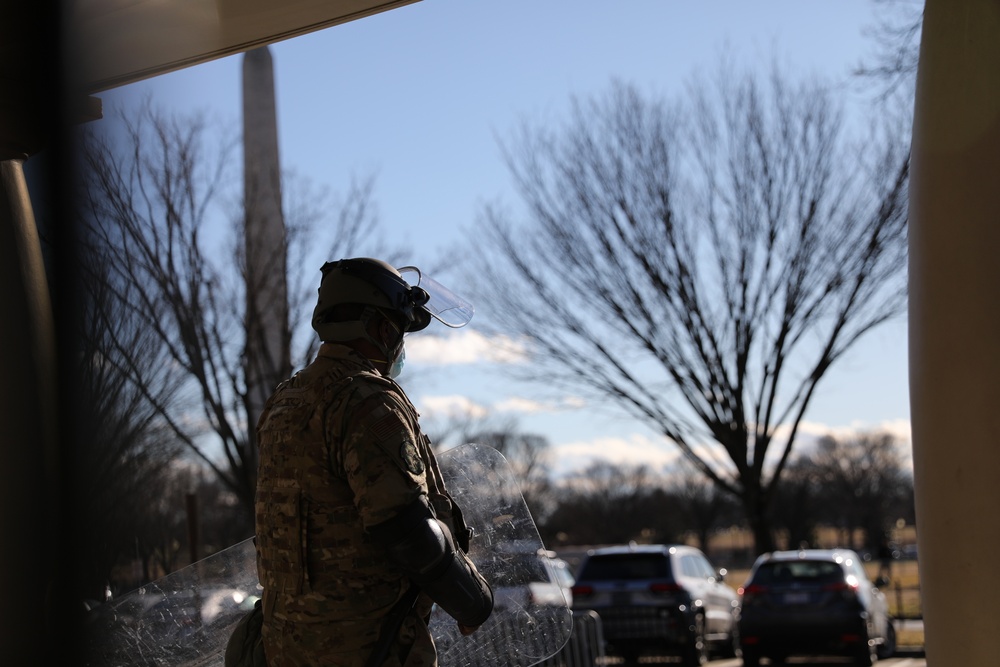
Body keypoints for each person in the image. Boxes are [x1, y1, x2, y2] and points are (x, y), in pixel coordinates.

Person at [253, 258, 493, 667]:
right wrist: (473, 602)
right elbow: (407, 530)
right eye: (399, 330)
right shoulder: (367, 399)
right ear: (383, 329)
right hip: (367, 649)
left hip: (289, 646)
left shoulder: (286, 400)